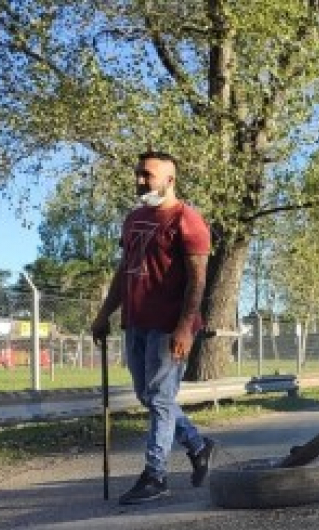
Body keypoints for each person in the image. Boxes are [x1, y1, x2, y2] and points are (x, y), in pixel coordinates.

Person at [91, 151, 216, 506]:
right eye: (138, 174)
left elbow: (198, 280)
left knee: (160, 398)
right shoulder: (133, 220)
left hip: (169, 326)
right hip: (136, 321)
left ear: (169, 180)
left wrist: (185, 327)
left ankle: (155, 474)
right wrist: (105, 313)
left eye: (148, 175)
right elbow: (123, 270)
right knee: (149, 396)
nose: (140, 181)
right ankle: (197, 444)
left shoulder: (186, 220)